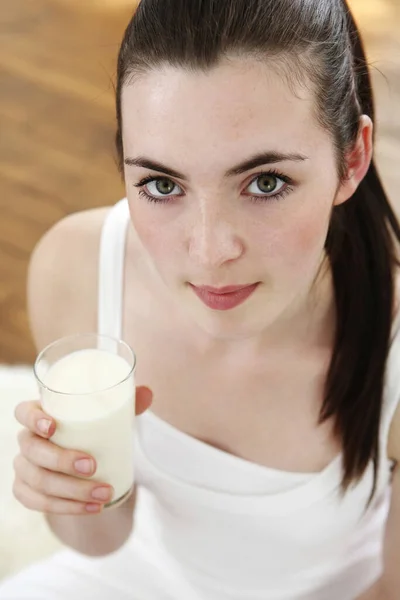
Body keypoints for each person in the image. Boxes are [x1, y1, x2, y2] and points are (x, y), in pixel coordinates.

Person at [1, 0, 400, 598]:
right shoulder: (77, 269)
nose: (209, 252)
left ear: (353, 158)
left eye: (266, 183)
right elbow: (102, 542)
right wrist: (70, 491)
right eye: (162, 184)